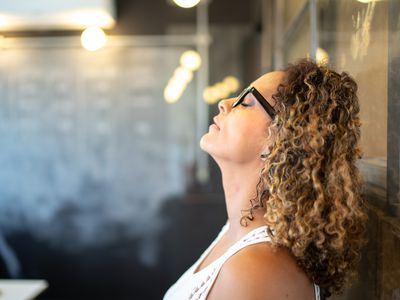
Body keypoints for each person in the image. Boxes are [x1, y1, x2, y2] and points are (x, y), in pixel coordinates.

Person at [163, 58, 367, 300]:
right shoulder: (234, 233)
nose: (224, 104)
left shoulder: (255, 272)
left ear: (279, 141)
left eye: (247, 103)